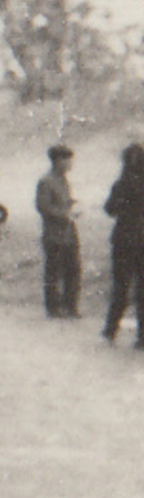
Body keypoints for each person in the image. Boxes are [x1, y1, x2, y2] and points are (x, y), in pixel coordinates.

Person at [103, 143, 144, 346]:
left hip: (123, 239)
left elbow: (109, 209)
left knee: (121, 286)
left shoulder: (120, 184)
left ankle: (111, 329)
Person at [36, 144, 80, 318]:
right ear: (58, 160)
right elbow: (44, 207)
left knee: (73, 270)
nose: (70, 164)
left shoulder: (63, 180)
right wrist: (65, 215)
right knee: (54, 272)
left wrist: (71, 205)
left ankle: (70, 307)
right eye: (68, 160)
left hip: (69, 232)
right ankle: (54, 308)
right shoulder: (46, 181)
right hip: (54, 233)